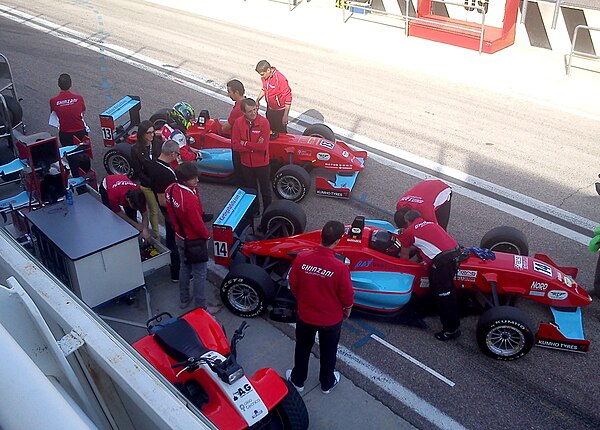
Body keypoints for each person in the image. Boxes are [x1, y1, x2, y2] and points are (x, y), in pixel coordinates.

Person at [287, 220, 354, 395]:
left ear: (321, 235)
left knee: (302, 347)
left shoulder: (302, 258)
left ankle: (298, 380)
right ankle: (327, 383)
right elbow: (347, 296)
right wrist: (347, 309)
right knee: (329, 352)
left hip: (306, 316)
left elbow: (293, 285)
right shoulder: (340, 267)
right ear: (338, 240)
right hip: (331, 320)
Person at [399, 210, 461, 341]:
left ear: (407, 222)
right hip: (456, 253)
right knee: (439, 291)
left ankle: (451, 330)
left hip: (442, 263)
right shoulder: (431, 223)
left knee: (445, 297)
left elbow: (404, 257)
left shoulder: (408, 232)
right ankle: (433, 308)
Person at [165, 162, 213, 310]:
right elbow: (197, 225)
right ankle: (201, 306)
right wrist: (207, 236)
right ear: (185, 180)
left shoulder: (170, 189)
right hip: (194, 240)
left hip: (179, 236)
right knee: (199, 273)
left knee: (185, 268)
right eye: (193, 179)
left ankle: (184, 299)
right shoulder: (189, 199)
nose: (196, 181)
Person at [145, 139, 181, 282]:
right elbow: (162, 200)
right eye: (177, 154)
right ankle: (176, 272)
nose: (177, 156)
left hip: (168, 209)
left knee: (173, 239)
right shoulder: (163, 173)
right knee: (175, 241)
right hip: (170, 211)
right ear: (172, 153)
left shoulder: (156, 164)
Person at [231, 98, 272, 212]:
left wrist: (245, 143)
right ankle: (255, 211)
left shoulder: (264, 122)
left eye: (255, 109)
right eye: (250, 111)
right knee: (251, 190)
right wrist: (252, 145)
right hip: (246, 164)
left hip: (262, 164)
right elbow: (235, 145)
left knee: (266, 191)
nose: (254, 113)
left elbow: (262, 147)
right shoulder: (238, 123)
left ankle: (267, 214)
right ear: (244, 113)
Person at [131, 120, 162, 238]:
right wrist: (151, 183)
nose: (152, 135)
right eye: (149, 133)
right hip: (147, 184)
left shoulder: (157, 143)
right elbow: (138, 171)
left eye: (153, 132)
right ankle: (157, 236)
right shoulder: (135, 149)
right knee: (153, 210)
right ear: (142, 134)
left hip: (159, 182)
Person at [99, 174, 151, 241]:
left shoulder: (138, 193)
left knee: (132, 215)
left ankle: (135, 237)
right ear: (128, 200)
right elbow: (119, 213)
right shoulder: (113, 195)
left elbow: (145, 214)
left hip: (121, 184)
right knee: (111, 215)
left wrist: (145, 229)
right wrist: (136, 225)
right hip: (107, 186)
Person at [49, 73, 87, 147]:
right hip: (81, 131)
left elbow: (54, 114)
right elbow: (83, 111)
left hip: (65, 133)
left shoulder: (53, 101)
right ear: (70, 84)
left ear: (58, 84)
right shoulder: (79, 98)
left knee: (69, 153)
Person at [255, 60, 292, 133]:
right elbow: (265, 89)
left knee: (281, 134)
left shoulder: (280, 79)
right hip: (270, 109)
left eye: (262, 74)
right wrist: (257, 100)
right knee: (270, 131)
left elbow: (288, 96)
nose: (261, 77)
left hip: (279, 112)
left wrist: (285, 115)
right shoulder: (264, 77)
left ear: (268, 70)